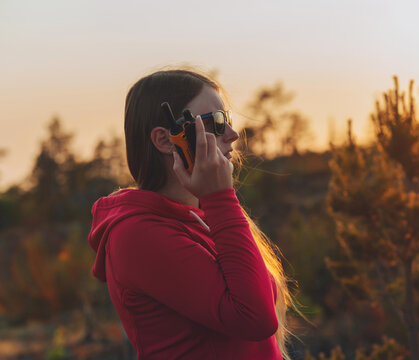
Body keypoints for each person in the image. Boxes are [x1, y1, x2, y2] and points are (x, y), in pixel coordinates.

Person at [88, 69, 295, 359]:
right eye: (218, 122)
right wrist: (220, 198)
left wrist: (216, 203)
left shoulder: (203, 217)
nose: (233, 135)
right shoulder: (136, 235)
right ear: (164, 140)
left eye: (229, 120)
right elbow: (256, 318)